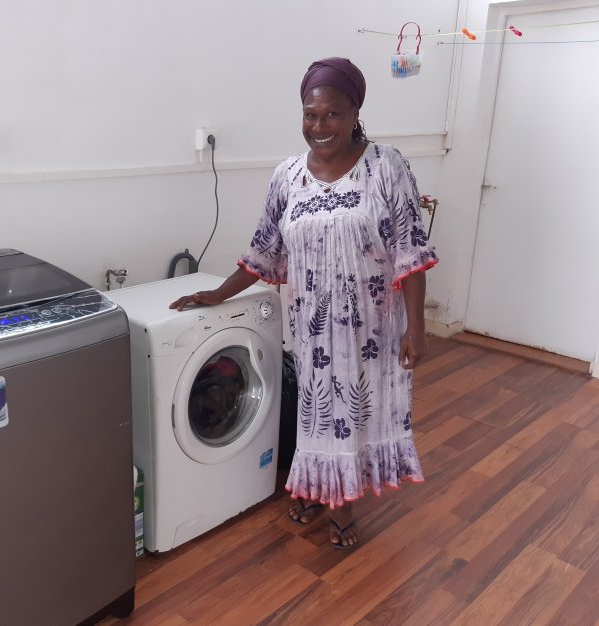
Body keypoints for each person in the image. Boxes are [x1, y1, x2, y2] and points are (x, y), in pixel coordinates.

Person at [170, 57, 438, 549]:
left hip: (371, 328)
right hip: (313, 328)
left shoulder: (386, 166)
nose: (320, 126)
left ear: (355, 113)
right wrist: (218, 293)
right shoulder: (287, 176)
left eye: (333, 114)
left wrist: (416, 329)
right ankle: (321, 488)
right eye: (310, 115)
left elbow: (411, 251)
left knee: (356, 413)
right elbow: (265, 249)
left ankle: (342, 503)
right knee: (318, 415)